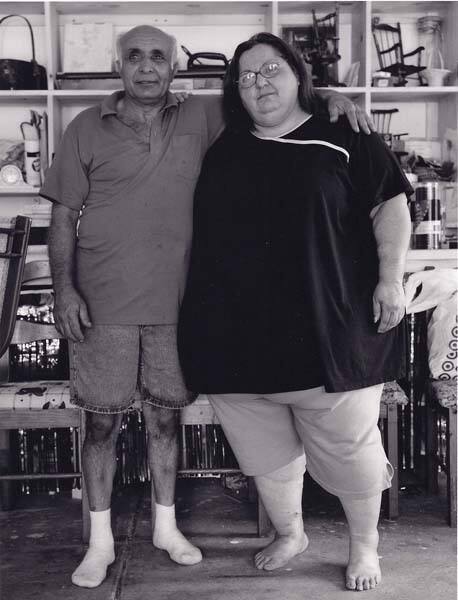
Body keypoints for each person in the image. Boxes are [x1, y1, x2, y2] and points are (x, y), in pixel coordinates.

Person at [41, 24, 374, 589]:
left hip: (181, 304)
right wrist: (64, 290)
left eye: (158, 58)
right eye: (134, 57)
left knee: (166, 419)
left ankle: (166, 529)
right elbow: (61, 218)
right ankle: (98, 543)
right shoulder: (83, 128)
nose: (146, 67)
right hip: (102, 303)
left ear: (176, 67)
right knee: (99, 424)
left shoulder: (206, 116)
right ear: (117, 66)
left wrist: (329, 100)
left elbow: (276, 103)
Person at [178, 32, 412, 592]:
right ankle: (290, 533)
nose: (259, 82)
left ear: (298, 74)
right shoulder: (225, 143)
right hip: (237, 338)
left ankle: (364, 548)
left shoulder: (342, 132)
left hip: (328, 330)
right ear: (233, 89)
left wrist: (390, 279)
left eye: (271, 69)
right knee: (265, 452)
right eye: (246, 75)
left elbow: (391, 206)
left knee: (351, 449)